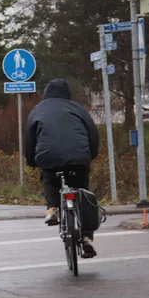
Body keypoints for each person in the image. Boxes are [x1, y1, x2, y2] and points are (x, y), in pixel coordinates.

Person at [25, 78, 100, 258]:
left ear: (47, 93)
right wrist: (90, 155)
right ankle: (87, 237)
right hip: (79, 157)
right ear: (67, 93)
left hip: (49, 156)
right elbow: (93, 134)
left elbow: (29, 140)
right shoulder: (78, 109)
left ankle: (52, 208)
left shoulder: (38, 110)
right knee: (83, 192)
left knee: (49, 178)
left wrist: (31, 160)